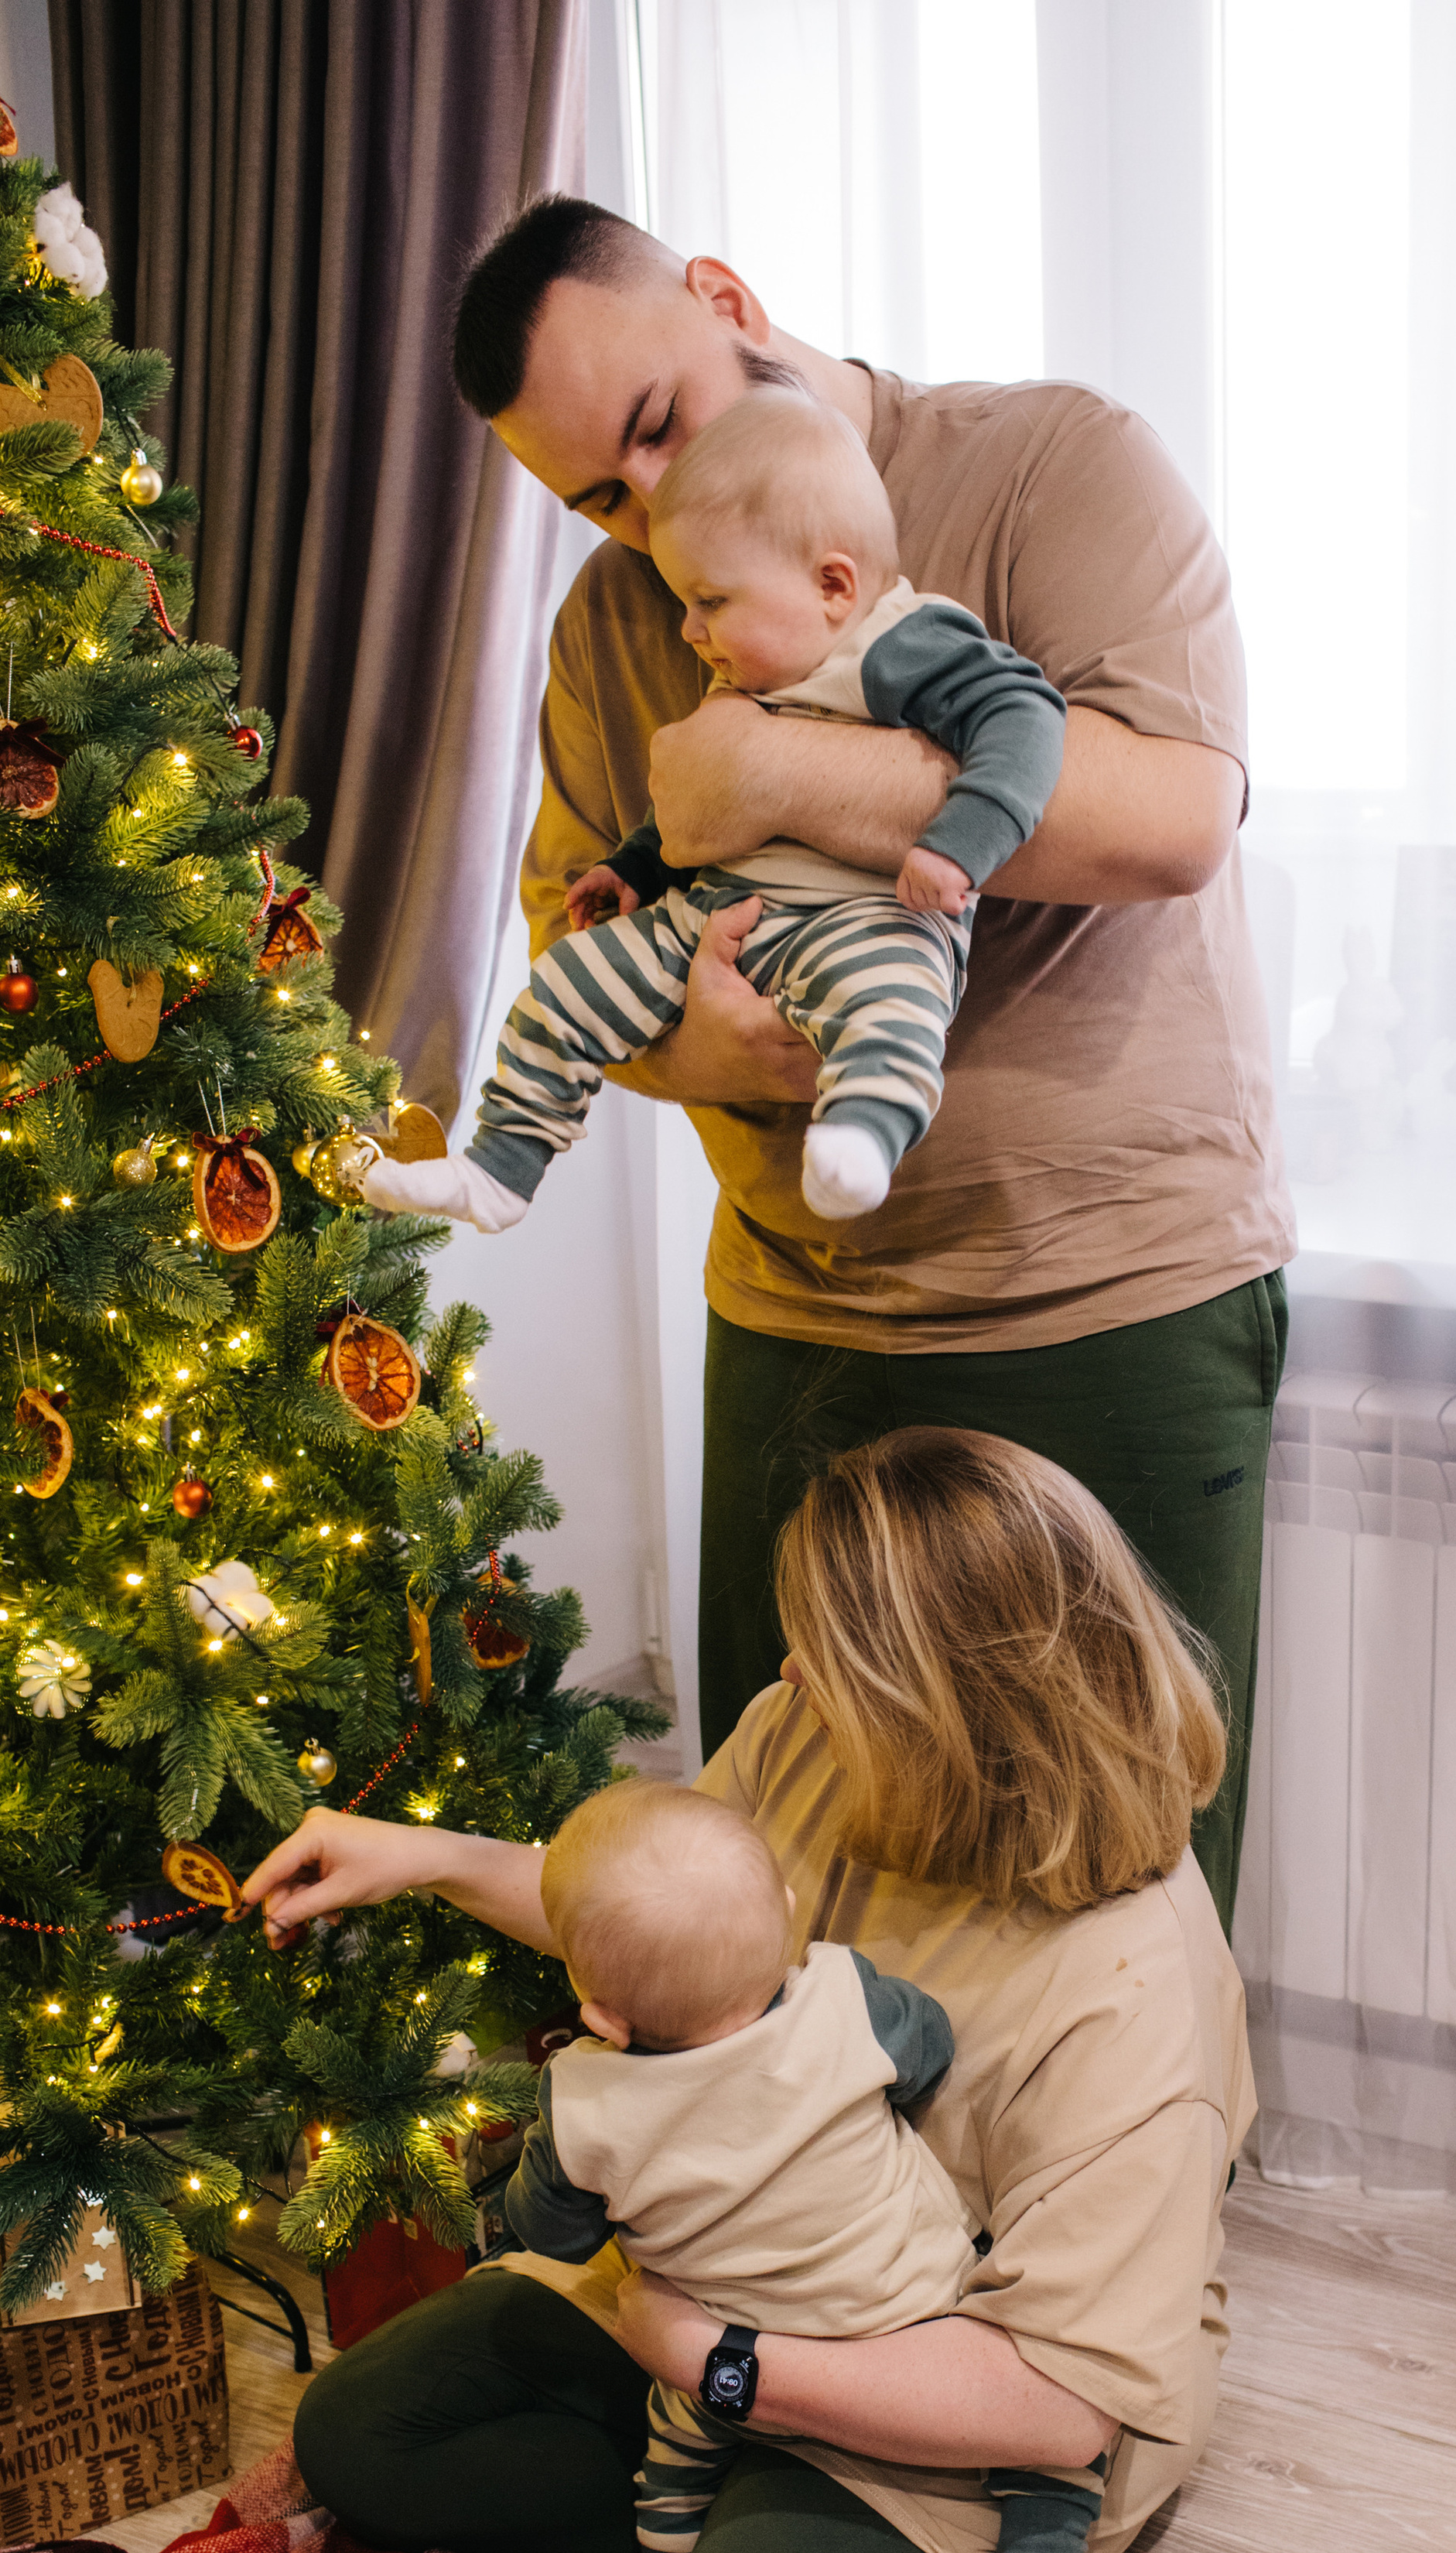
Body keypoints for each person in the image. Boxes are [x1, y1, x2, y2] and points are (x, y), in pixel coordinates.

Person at [251, 1428, 1456, 2553]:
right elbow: (662, 1928)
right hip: (739, 2275)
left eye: (826, 1660)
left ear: (938, 1709)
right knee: (364, 2436)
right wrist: (434, 1855)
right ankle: (739, 2543)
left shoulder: (1131, 1989)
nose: (787, 1681)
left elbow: (1056, 2407)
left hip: (967, 2396)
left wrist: (715, 2361)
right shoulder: (814, 1746)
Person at [442, 193, 1296, 1932]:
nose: (643, 518)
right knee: (778, 1896)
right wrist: (702, 1044)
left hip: (1105, 1295)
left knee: (1119, 1901)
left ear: (726, 297)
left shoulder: (1054, 468)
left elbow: (1168, 820)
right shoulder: (617, 624)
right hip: (802, 1317)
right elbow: (575, 942)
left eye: (657, 432)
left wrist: (775, 782)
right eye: (597, 499)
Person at [367, 390, 1065, 1230]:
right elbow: (702, 815)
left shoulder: (898, 644)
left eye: (711, 601)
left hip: (867, 918)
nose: (691, 631)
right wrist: (635, 867)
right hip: (710, 918)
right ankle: (500, 1171)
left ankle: (863, 1137)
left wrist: (960, 846)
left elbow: (1025, 716)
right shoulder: (749, 678)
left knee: (893, 1008)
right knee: (564, 984)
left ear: (832, 586)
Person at [511, 1774, 1151, 2553]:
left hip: (725, 2358)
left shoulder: (578, 2103)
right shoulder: (843, 2003)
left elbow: (552, 2230)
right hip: (914, 2320)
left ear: (599, 2015)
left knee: (674, 2452)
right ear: (785, 1912)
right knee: (1054, 2431)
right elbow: (928, 2046)